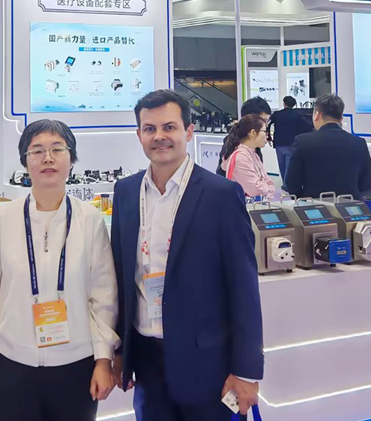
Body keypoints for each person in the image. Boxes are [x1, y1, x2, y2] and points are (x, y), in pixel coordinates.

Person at [111, 90, 263, 420]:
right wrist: (121, 350)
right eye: (149, 129)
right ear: (139, 135)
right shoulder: (125, 192)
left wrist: (246, 370)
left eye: (169, 127)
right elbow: (122, 279)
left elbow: (243, 287)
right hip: (147, 361)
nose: (159, 136)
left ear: (189, 132)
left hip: (207, 364)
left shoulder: (221, 195)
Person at [0, 119, 118, 421]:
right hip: (9, 364)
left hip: (76, 366)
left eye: (57, 149)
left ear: (71, 158)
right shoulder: (2, 219)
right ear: (25, 162)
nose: (48, 158)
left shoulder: (89, 220)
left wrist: (103, 359)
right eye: (37, 151)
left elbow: (103, 297)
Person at [286, 94, 371, 200]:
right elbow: (368, 183)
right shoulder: (359, 143)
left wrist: (302, 199)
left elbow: (292, 182)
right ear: (341, 118)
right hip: (350, 205)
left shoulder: (303, 141)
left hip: (313, 205)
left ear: (317, 115)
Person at [222, 114, 275, 199]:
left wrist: (266, 188)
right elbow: (254, 190)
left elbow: (269, 182)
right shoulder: (241, 157)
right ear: (253, 133)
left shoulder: (253, 155)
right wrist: (266, 188)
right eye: (265, 131)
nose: (267, 136)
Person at [217, 96, 271, 176]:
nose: (265, 125)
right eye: (263, 121)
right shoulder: (236, 145)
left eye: (267, 121)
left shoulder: (253, 144)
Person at [268, 96, 312, 191]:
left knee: (282, 165)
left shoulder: (277, 114)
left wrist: (268, 136)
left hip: (279, 143)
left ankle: (285, 184)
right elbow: (307, 127)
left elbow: (268, 124)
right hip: (292, 143)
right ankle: (287, 185)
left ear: (284, 103)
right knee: (289, 165)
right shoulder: (298, 115)